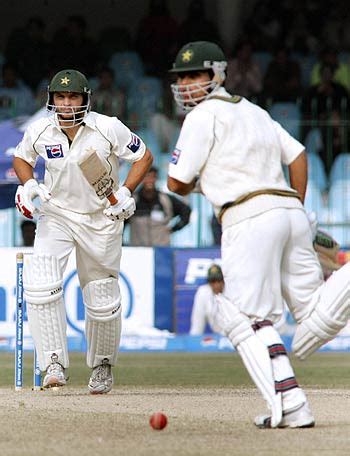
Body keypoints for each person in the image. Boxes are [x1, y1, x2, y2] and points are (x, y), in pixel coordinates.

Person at [167, 41, 350, 429]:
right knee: (312, 310)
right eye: (181, 77)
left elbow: (176, 182)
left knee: (243, 316)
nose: (185, 84)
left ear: (217, 74)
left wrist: (206, 184)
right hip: (289, 211)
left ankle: (292, 404)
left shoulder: (200, 117)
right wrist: (296, 209)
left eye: (194, 75)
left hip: (247, 216)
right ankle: (293, 399)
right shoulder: (256, 111)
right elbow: (298, 156)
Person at [13, 69, 153, 393]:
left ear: (85, 99)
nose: (66, 103)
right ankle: (52, 364)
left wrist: (128, 192)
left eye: (72, 96)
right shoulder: (40, 130)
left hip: (101, 217)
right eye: (60, 97)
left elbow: (143, 156)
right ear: (51, 100)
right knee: (40, 284)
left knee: (102, 297)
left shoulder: (108, 127)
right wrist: (30, 184)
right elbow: (22, 158)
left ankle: (102, 366)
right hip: (57, 214)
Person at [128, 166, 191, 246]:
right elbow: (120, 222)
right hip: (138, 251)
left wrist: (174, 228)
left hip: (161, 251)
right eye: (147, 177)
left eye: (153, 177)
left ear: (156, 179)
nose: (150, 180)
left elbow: (186, 210)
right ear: (141, 179)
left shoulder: (166, 199)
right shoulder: (132, 200)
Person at [189, 264, 224, 335]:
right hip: (219, 337)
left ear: (224, 280)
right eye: (213, 281)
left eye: (219, 280)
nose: (216, 285)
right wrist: (193, 342)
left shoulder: (232, 292)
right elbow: (197, 326)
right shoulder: (203, 293)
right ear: (209, 282)